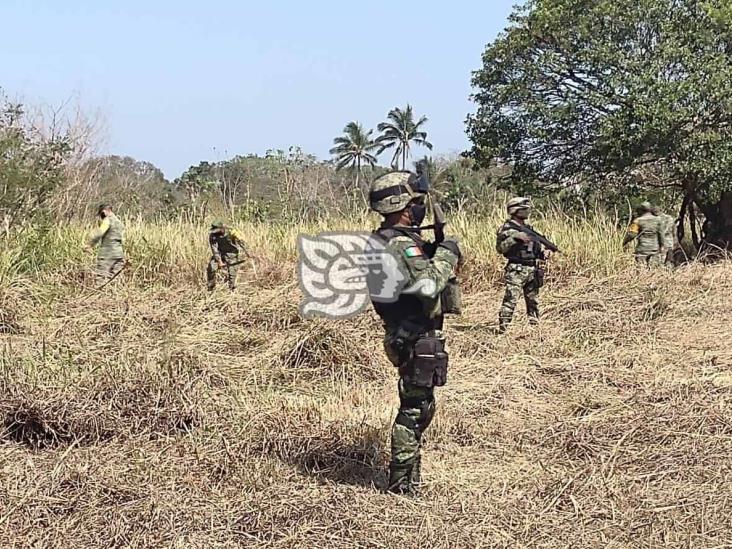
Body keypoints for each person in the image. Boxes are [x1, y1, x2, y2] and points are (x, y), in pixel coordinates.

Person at [367, 171, 461, 496]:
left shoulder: (389, 239)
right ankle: (400, 487)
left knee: (421, 405)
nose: (421, 208)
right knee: (414, 410)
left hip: (410, 333)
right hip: (412, 335)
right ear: (402, 204)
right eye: (416, 202)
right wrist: (448, 253)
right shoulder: (399, 244)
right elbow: (430, 284)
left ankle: (410, 478)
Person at [496, 197, 553, 333]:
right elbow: (500, 249)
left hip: (532, 269)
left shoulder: (529, 229)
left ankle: (535, 329)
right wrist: (514, 238)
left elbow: (534, 248)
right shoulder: (508, 229)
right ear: (515, 210)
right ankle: (503, 330)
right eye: (524, 209)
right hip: (516, 269)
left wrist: (542, 254)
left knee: (533, 302)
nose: (527, 211)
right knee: (510, 301)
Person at [87, 204, 125, 284]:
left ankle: (99, 294)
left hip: (107, 253)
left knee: (101, 276)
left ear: (104, 212)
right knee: (116, 278)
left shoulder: (107, 220)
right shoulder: (119, 222)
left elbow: (99, 233)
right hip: (119, 253)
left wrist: (90, 245)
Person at [207, 220, 247, 291]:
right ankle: (210, 288)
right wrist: (219, 261)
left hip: (231, 253)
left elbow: (241, 242)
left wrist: (247, 252)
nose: (215, 232)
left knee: (232, 272)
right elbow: (214, 250)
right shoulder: (213, 236)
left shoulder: (232, 232)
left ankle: (232, 289)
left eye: (217, 230)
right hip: (220, 253)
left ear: (222, 228)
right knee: (212, 268)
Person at [623, 201, 664, 267]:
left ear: (641, 210)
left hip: (642, 249)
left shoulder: (637, 221)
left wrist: (624, 242)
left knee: (641, 269)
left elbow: (632, 234)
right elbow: (661, 234)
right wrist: (662, 246)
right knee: (654, 269)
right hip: (654, 249)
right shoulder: (658, 220)